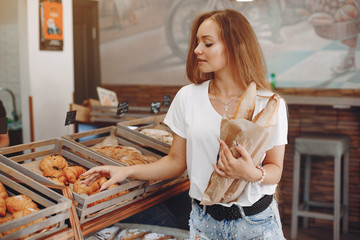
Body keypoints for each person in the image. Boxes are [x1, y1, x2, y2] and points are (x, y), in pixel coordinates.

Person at [83, 9, 288, 240]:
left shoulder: (269, 104)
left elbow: (275, 169)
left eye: (207, 43)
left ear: (234, 46)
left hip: (256, 225)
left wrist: (251, 173)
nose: (197, 50)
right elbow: (175, 162)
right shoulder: (187, 97)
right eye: (197, 42)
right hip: (205, 224)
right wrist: (126, 171)